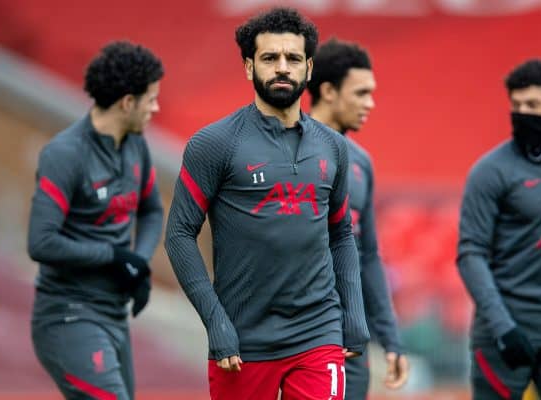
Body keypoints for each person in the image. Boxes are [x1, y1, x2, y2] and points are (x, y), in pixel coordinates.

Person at [164, 7, 369, 400]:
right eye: (269, 57)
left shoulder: (333, 146)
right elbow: (178, 235)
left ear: (308, 68)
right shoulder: (214, 144)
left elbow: (341, 234)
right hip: (242, 344)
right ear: (248, 67)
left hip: (317, 333)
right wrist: (215, 322)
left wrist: (353, 313)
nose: (282, 68)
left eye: (292, 59)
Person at [28, 41, 164, 400]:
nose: (156, 107)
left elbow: (151, 211)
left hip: (114, 315)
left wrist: (139, 263)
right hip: (67, 315)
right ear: (127, 102)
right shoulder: (65, 154)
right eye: (150, 99)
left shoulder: (137, 146)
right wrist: (115, 257)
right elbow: (40, 242)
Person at [457, 59, 541, 399]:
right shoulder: (490, 171)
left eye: (533, 105)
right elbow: (470, 255)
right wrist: (503, 328)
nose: (522, 113)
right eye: (516, 105)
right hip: (504, 337)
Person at [308, 38, 409, 399]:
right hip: (298, 338)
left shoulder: (361, 162)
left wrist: (390, 338)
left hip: (350, 341)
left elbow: (368, 257)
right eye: (361, 93)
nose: (371, 103)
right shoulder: (286, 153)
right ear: (329, 91)